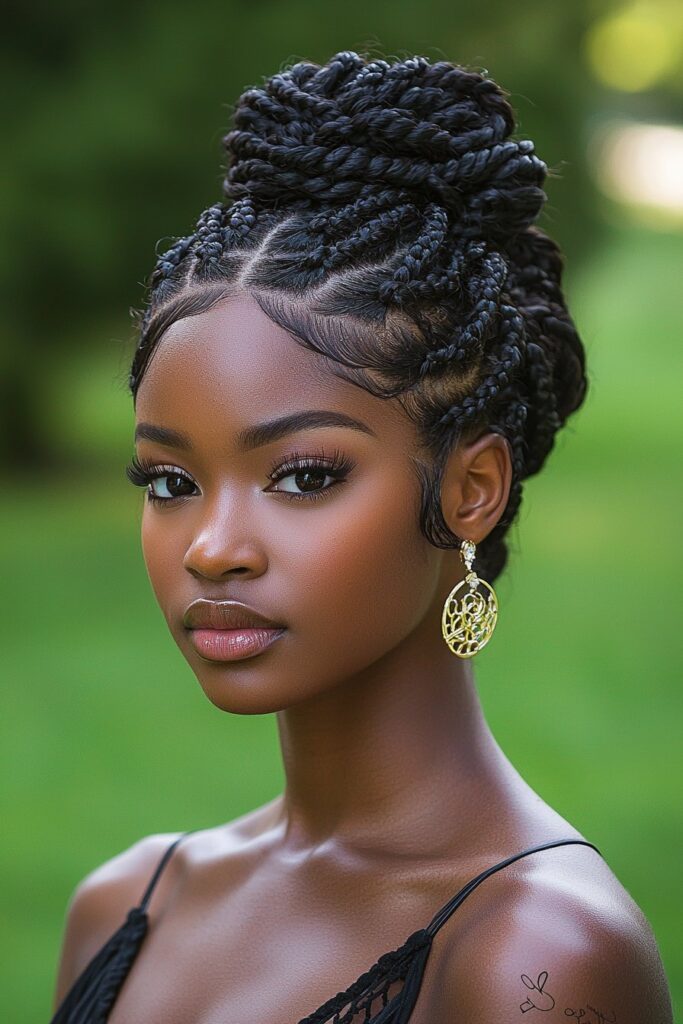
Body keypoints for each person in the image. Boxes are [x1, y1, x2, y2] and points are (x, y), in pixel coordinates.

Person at [50, 51, 673, 1023]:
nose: (211, 547)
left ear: (471, 488)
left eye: (302, 476)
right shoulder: (126, 908)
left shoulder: (532, 961)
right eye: (169, 480)